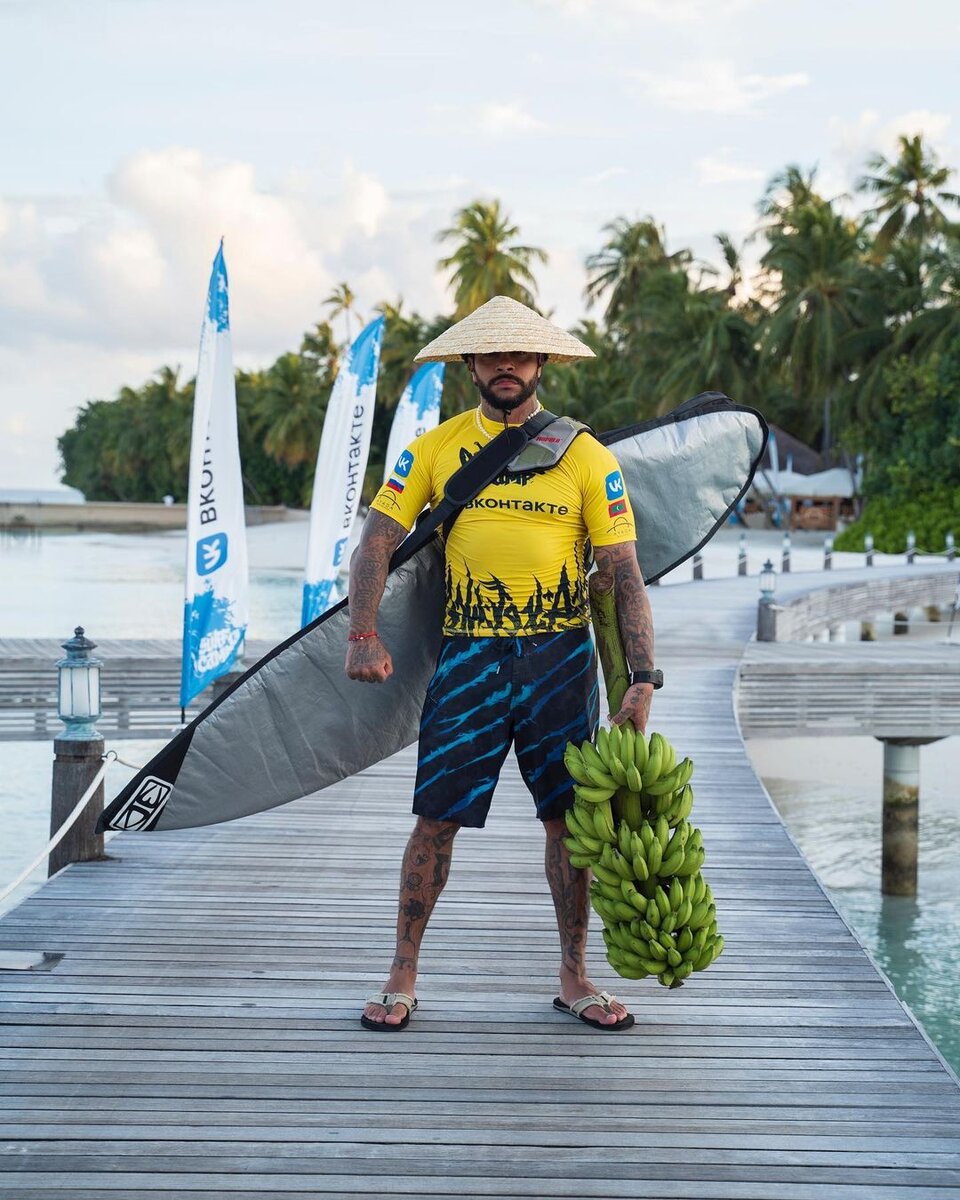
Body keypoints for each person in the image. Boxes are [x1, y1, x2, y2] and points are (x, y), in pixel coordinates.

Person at [345, 296, 657, 1032]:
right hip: (470, 656)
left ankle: (575, 974)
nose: (507, 365)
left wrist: (640, 679)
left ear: (541, 363)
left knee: (569, 823)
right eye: (492, 354)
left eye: (520, 354)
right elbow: (378, 541)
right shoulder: (434, 449)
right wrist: (363, 631)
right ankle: (402, 970)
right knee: (435, 820)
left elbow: (620, 572)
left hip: (560, 659)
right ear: (471, 366)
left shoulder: (585, 455)